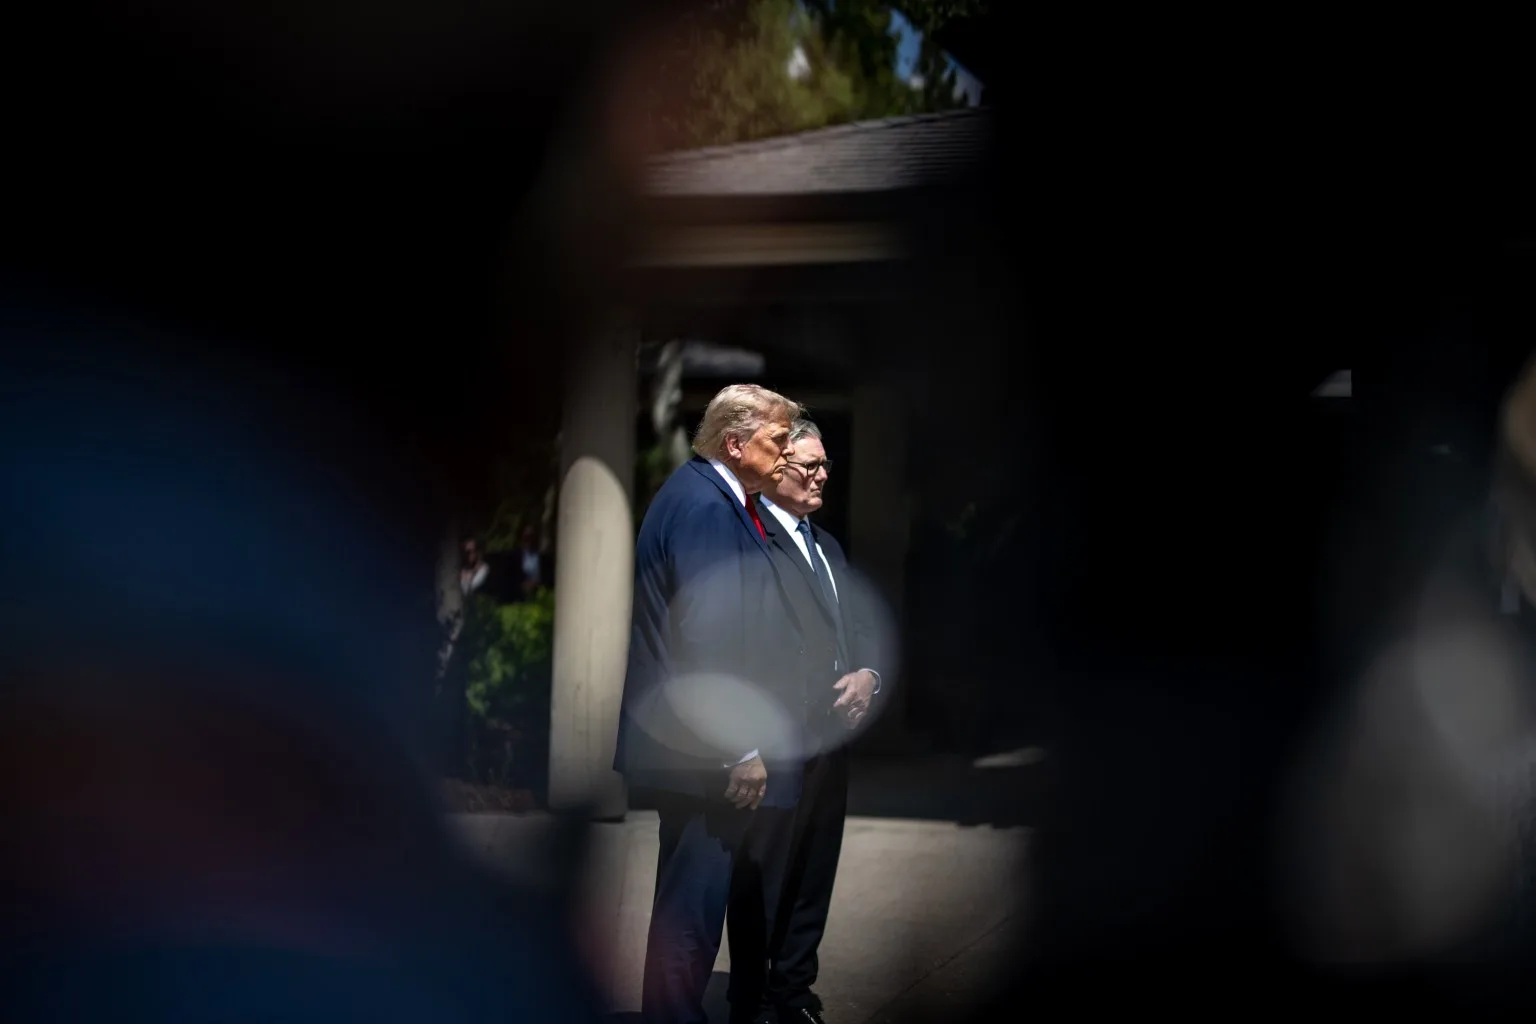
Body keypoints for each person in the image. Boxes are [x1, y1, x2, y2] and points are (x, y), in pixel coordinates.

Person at [616, 383, 809, 1024]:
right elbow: (705, 635)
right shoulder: (704, 506)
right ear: (734, 443)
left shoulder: (709, 496)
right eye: (777, 440)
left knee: (688, 902)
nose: (787, 453)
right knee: (691, 910)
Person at [730, 418, 882, 1024]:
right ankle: (754, 1001)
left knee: (815, 872)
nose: (822, 476)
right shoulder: (752, 539)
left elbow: (859, 628)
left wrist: (869, 675)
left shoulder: (828, 547)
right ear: (776, 468)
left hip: (830, 739)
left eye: (825, 466)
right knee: (764, 877)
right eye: (810, 465)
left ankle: (794, 992)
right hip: (779, 740)